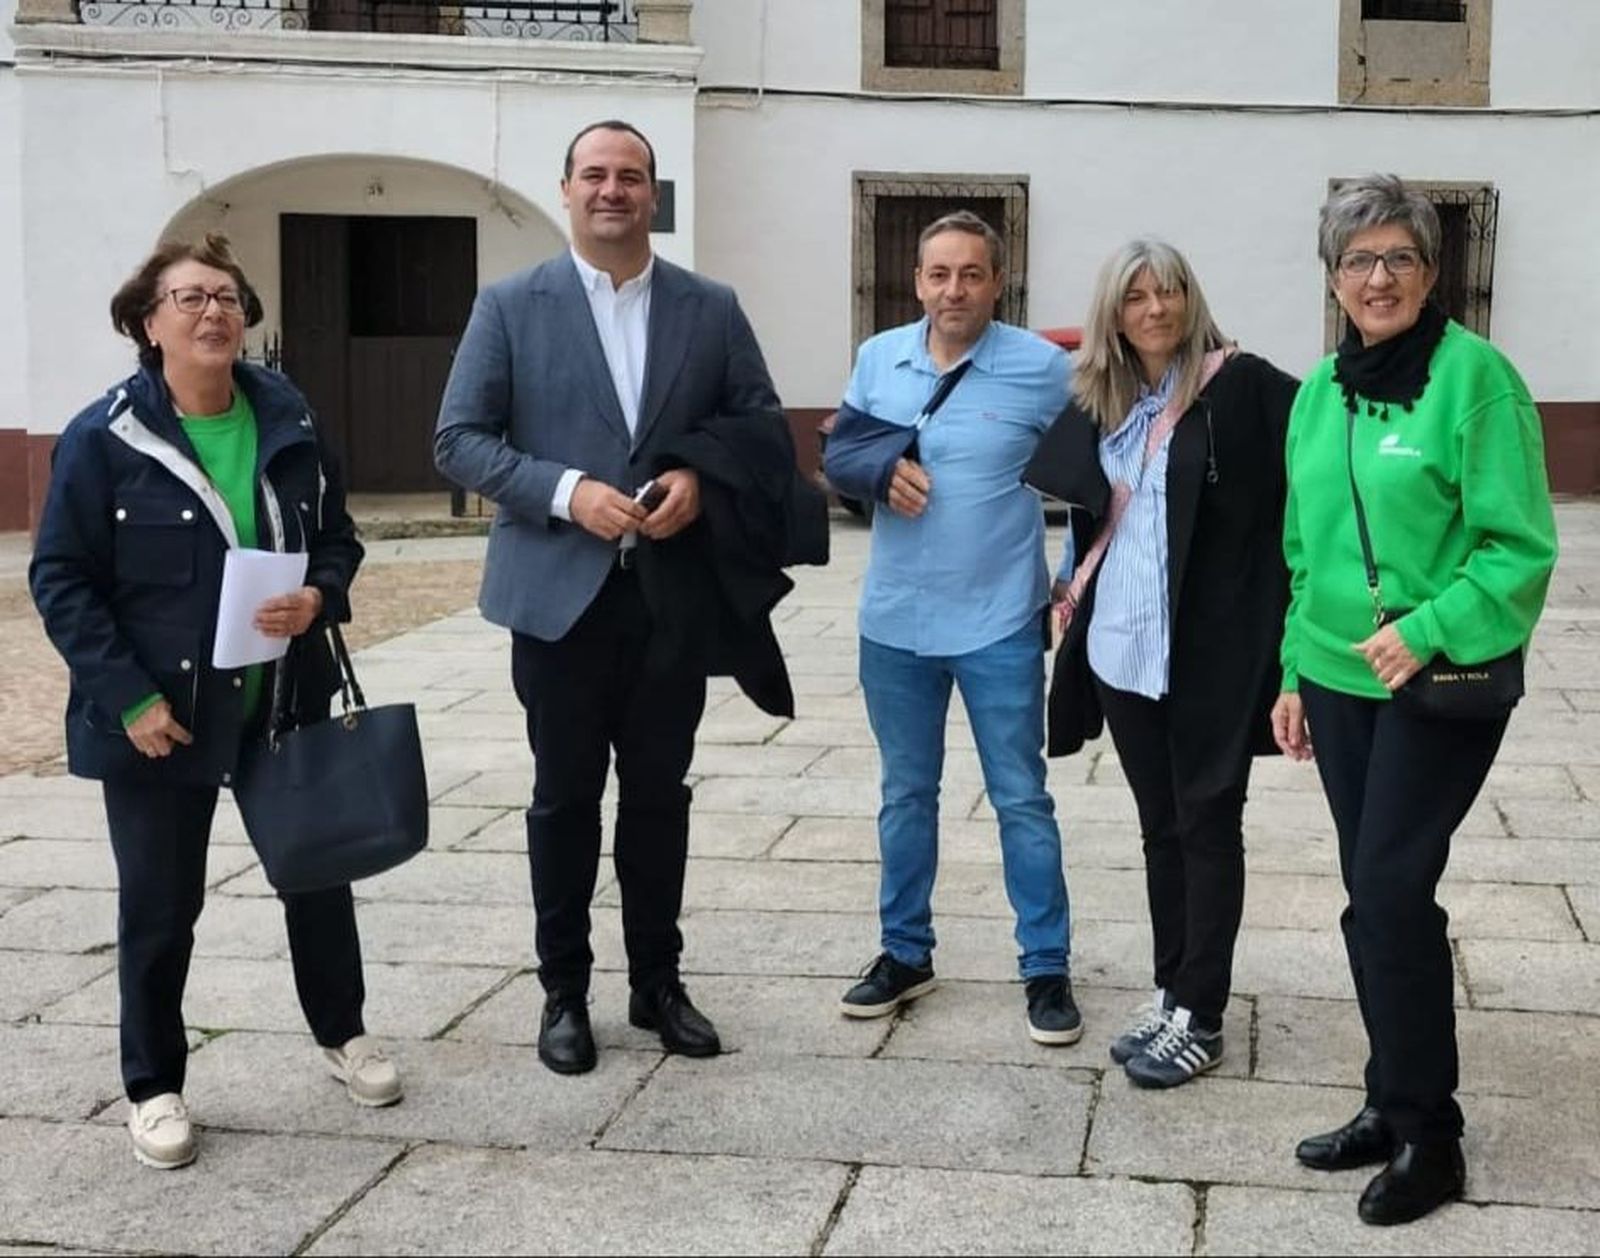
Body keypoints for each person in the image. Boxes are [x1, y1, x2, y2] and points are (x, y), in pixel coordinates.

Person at [434, 120, 812, 1077]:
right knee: (563, 801)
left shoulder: (710, 307)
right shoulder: (509, 304)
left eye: (631, 176)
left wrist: (698, 480)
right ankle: (564, 992)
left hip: (669, 600)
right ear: (566, 189)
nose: (613, 190)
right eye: (595, 175)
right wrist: (568, 493)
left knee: (657, 799)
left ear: (653, 194)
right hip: (557, 601)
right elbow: (459, 440)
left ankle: (657, 984)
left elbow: (762, 425)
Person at [29, 234, 401, 1171]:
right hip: (162, 720)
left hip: (279, 699)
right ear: (147, 323)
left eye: (228, 298)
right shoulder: (104, 436)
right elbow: (62, 579)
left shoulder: (289, 416)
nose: (213, 313)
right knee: (160, 910)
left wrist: (319, 595)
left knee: (318, 879)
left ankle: (344, 1034)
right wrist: (129, 700)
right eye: (190, 298)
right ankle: (153, 1085)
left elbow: (339, 539)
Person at [1271, 175, 1557, 1226]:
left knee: (1391, 890)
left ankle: (1430, 1136)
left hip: (1437, 682)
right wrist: (1294, 670)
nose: (1377, 278)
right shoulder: (1320, 391)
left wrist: (1427, 627)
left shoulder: (1476, 380)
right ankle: (1389, 1098)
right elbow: (1304, 548)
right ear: (1333, 279)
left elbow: (1519, 547)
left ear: (1432, 272)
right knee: (1371, 892)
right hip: (1337, 681)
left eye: (1399, 257)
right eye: (1357, 260)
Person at [1033, 239, 1298, 1088]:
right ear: (1114, 312)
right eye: (1136, 296)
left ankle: (1202, 1014)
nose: (1155, 309)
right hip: (1122, 649)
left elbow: (1317, 471)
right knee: (1162, 829)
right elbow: (1089, 511)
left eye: (1169, 291)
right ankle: (1171, 990)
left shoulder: (1244, 387)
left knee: (1209, 825)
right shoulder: (1103, 397)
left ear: (1191, 298)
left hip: (1211, 655)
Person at [825, 210, 1081, 1046]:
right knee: (905, 796)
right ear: (917, 282)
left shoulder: (1041, 368)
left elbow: (1101, 467)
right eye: (939, 274)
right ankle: (905, 953)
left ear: (999, 282)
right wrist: (876, 473)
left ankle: (1046, 966)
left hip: (1000, 621)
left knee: (1021, 798)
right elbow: (839, 456)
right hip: (895, 623)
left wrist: (1075, 571)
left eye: (972, 274)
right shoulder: (879, 357)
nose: (954, 290)